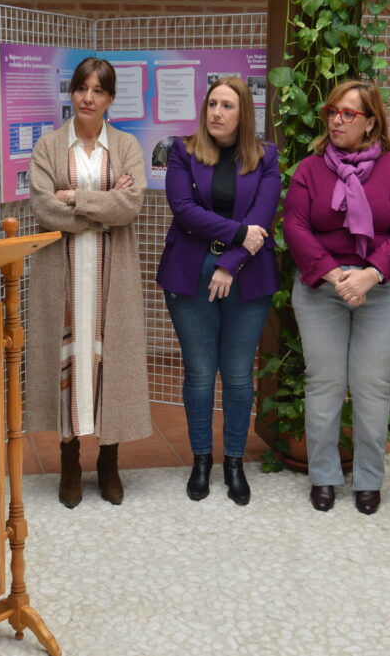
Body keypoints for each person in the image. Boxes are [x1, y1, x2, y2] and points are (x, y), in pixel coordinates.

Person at [283, 79, 390, 515]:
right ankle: (323, 476)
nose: (336, 120)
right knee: (324, 383)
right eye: (332, 112)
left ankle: (368, 480)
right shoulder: (310, 169)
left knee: (371, 386)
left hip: (378, 289)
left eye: (348, 113)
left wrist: (372, 274)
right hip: (322, 288)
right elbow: (296, 227)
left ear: (371, 122)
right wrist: (334, 273)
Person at [26, 57, 152, 508]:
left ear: (110, 99)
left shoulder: (126, 146)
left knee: (108, 362)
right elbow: (43, 207)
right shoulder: (48, 146)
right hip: (61, 277)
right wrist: (103, 206)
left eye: (98, 91)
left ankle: (109, 462)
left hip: (109, 277)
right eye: (81, 88)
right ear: (72, 93)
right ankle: (69, 461)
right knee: (69, 361)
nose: (87, 98)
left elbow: (130, 205)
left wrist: (76, 197)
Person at [156, 76, 280, 505]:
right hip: (191, 271)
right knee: (200, 373)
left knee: (240, 374)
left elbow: (264, 218)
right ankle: (202, 460)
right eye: (212, 104)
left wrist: (230, 262)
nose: (216, 113)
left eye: (227, 105)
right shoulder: (183, 151)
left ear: (244, 112)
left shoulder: (266, 157)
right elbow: (184, 210)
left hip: (247, 272)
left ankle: (233, 461)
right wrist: (240, 232)